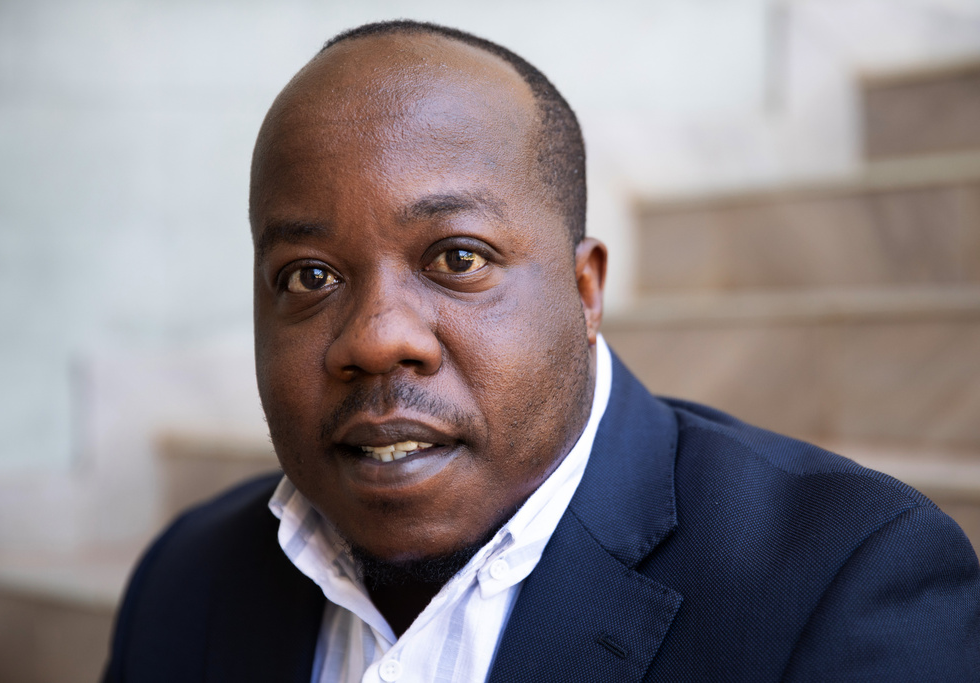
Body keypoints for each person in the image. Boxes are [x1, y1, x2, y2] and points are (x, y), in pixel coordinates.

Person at [102, 20, 980, 682]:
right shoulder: (188, 580)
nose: (375, 337)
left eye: (457, 258)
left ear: (585, 289)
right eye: (308, 276)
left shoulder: (843, 584)